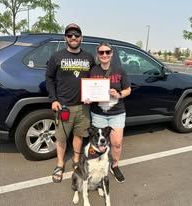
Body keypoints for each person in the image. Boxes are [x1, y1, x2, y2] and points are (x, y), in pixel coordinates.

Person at [46, 23, 95, 183]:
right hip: (64, 106)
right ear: (65, 38)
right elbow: (49, 79)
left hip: (83, 107)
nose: (73, 37)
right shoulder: (56, 56)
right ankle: (60, 164)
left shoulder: (89, 57)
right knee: (61, 138)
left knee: (79, 135)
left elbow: (95, 79)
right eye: (70, 35)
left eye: (76, 34)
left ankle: (75, 160)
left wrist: (95, 93)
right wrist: (53, 99)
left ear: (82, 37)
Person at [90, 42, 131, 183]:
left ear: (112, 53)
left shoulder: (120, 70)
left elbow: (128, 90)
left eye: (107, 52)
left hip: (117, 113)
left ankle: (114, 165)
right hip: (98, 114)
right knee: (99, 144)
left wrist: (118, 94)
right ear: (98, 54)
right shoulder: (93, 71)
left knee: (117, 143)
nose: (104, 55)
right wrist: (88, 98)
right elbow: (88, 89)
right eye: (101, 52)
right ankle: (99, 165)